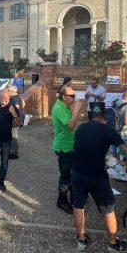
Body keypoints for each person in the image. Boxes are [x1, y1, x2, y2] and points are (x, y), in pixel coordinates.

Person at [72, 106, 127, 253]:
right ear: (105, 119)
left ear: (91, 117)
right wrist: (126, 165)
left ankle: (81, 239)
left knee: (78, 205)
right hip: (97, 176)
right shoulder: (107, 130)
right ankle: (113, 244)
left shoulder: (81, 128)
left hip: (77, 172)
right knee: (108, 209)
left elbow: (87, 150)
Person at [51, 86, 84, 214]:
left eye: (75, 95)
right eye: (72, 96)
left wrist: (74, 110)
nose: (74, 98)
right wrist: (76, 110)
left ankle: (74, 197)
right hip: (63, 147)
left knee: (72, 173)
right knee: (65, 176)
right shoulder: (59, 108)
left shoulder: (64, 106)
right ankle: (61, 201)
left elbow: (72, 122)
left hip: (70, 145)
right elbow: (70, 125)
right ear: (64, 97)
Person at [8, 84, 24, 159]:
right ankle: (12, 151)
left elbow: (16, 106)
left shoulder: (13, 98)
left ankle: (14, 153)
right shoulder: (18, 97)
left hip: (14, 120)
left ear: (12, 91)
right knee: (13, 136)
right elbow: (23, 104)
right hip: (16, 119)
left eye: (9, 91)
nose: (8, 92)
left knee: (14, 137)